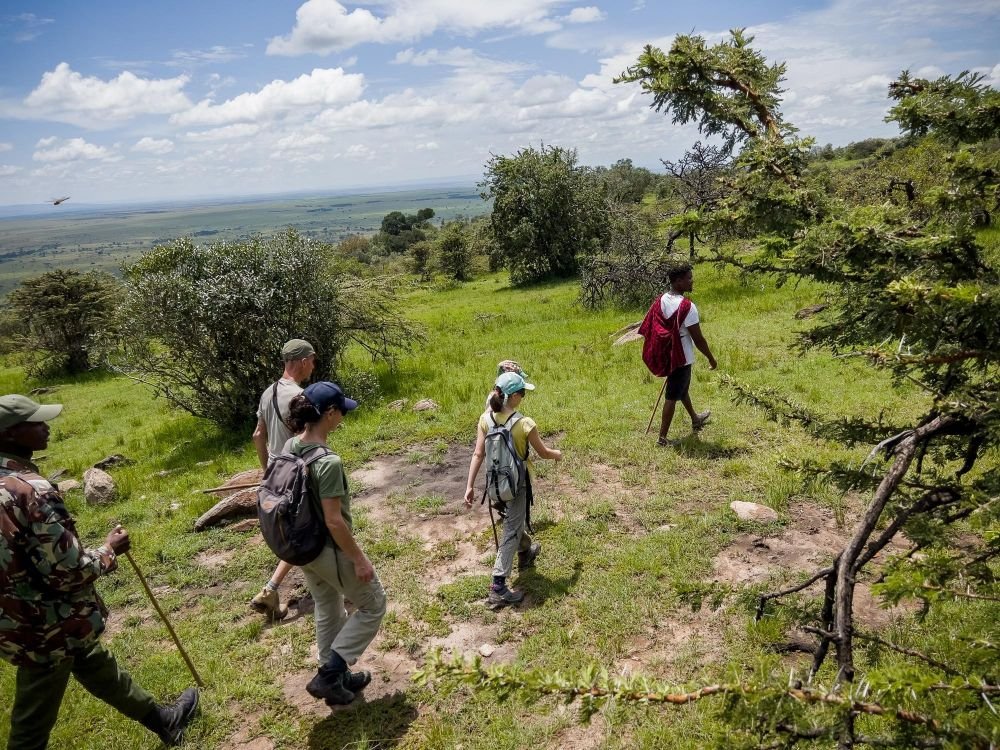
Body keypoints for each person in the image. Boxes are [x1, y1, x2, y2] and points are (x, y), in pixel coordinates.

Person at [0, 394, 199, 749]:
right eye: (36, 423)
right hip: (44, 624)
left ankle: (163, 720)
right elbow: (69, 571)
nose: (46, 427)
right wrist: (109, 551)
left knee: (92, 660)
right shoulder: (30, 491)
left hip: (17, 619)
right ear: (12, 433)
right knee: (30, 726)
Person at [284, 382, 386, 706]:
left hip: (302, 548)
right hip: (329, 548)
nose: (344, 415)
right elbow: (334, 521)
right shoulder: (327, 463)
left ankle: (336, 677)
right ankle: (330, 675)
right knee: (374, 604)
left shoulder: (290, 447)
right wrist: (359, 559)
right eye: (341, 410)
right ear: (329, 414)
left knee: (327, 605)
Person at [464, 371, 562, 608]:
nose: (524, 397)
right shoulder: (525, 423)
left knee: (512, 521)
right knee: (511, 529)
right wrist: (557, 454)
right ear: (515, 397)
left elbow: (478, 453)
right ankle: (498, 586)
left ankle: (526, 551)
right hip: (518, 483)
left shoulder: (485, 419)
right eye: (523, 394)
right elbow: (543, 452)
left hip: (495, 484)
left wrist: (469, 486)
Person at [249, 338, 317, 620]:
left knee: (296, 532)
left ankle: (272, 589)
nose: (313, 366)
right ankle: (273, 587)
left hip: (278, 472)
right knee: (311, 529)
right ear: (302, 362)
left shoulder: (267, 393)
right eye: (312, 360)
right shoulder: (299, 396)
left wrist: (268, 471)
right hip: (300, 472)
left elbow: (257, 435)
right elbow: (308, 438)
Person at [656, 264, 718, 446]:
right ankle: (662, 438)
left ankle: (695, 418)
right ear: (678, 281)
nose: (692, 281)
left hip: (668, 353)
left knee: (681, 388)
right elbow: (698, 339)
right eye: (688, 278)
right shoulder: (687, 307)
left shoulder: (662, 299)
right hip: (681, 357)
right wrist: (711, 358)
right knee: (672, 395)